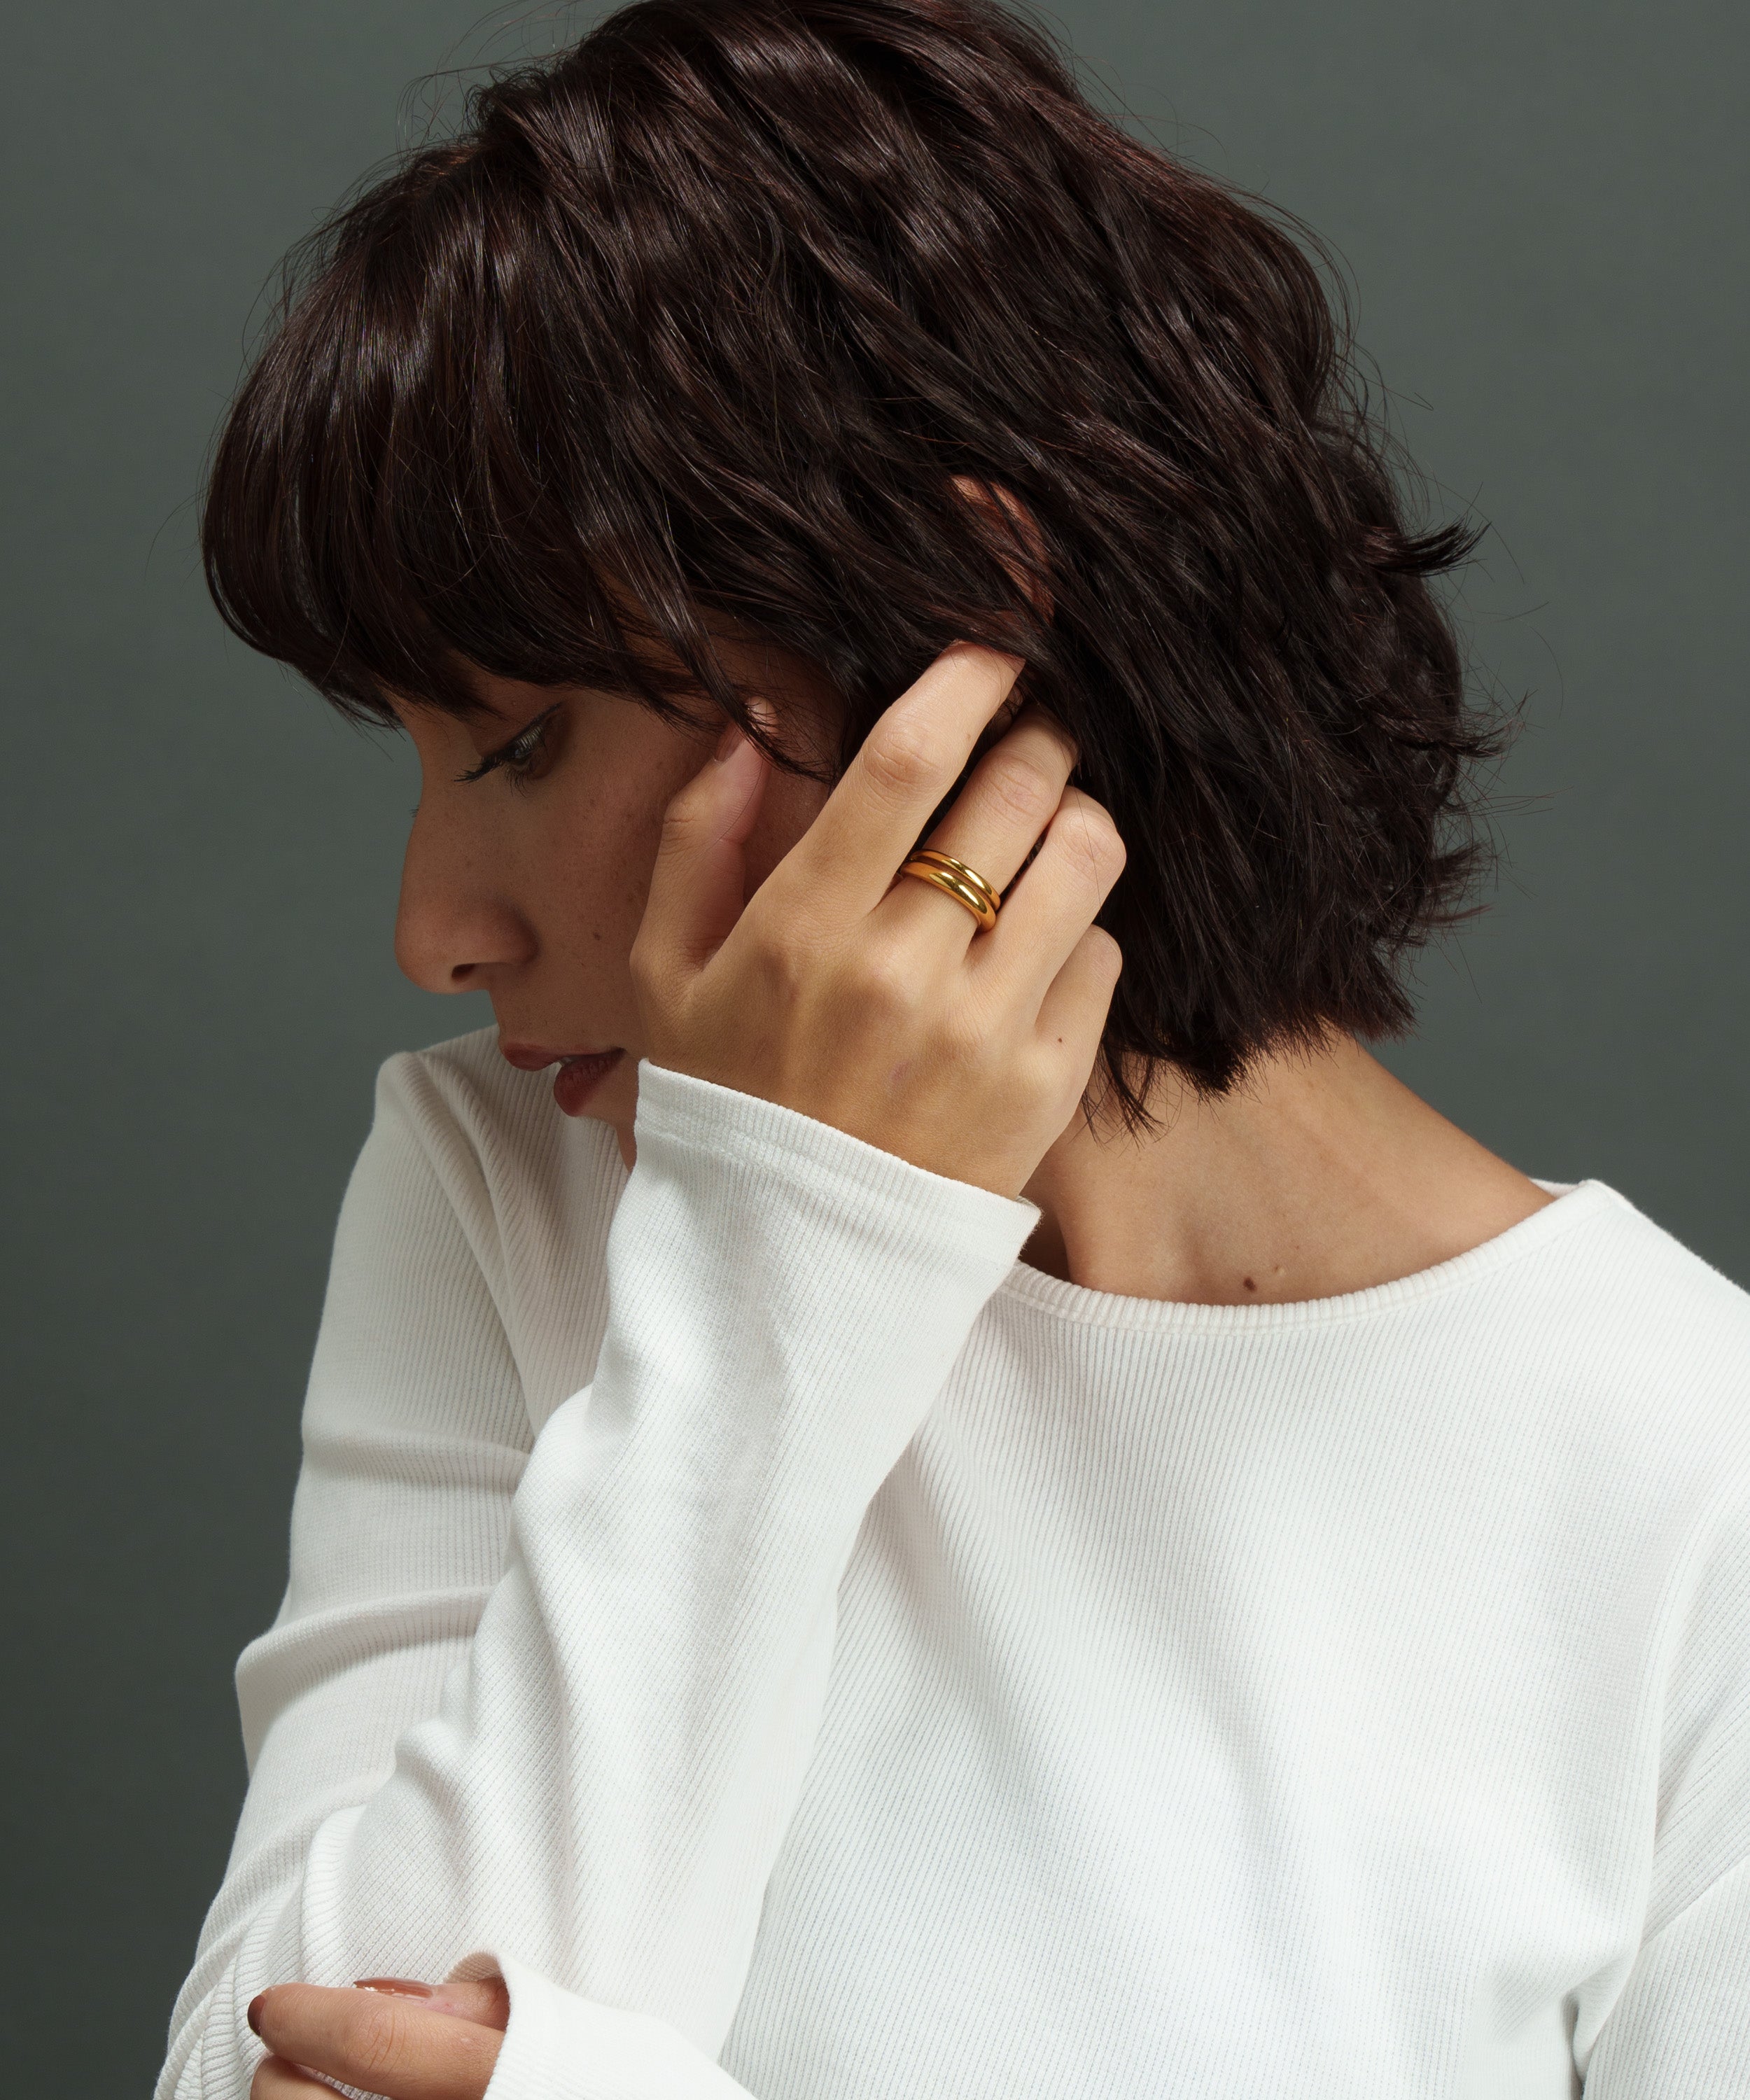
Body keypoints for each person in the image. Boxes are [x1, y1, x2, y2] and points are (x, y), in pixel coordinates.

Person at [162, 1, 1749, 2095]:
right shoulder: (502, 1192)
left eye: (521, 740)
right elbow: (279, 2070)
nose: (429, 929)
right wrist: (782, 1256)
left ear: (952, 630)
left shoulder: (1692, 1486)